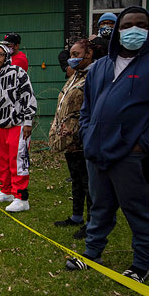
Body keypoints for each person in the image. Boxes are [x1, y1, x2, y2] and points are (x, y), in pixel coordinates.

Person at [65, 6, 149, 283]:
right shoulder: (100, 67)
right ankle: (92, 254)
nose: (133, 30)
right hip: (97, 152)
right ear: (118, 30)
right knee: (100, 207)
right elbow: (88, 108)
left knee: (140, 208)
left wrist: (142, 145)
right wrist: (88, 133)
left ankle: (141, 264)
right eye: (127, 25)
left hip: (133, 156)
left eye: (140, 25)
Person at [49, 39, 102, 239]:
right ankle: (76, 216)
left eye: (76, 54)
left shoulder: (94, 76)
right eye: (71, 54)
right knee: (76, 180)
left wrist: (81, 130)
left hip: (83, 138)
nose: (72, 58)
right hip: (69, 139)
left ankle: (92, 223)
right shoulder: (75, 75)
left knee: (89, 183)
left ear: (88, 54)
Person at [0, 44, 37, 212]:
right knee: (1, 159)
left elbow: (29, 97)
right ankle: (6, 191)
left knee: (18, 159)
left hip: (18, 123)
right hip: (0, 123)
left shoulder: (18, 73)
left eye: (1, 54)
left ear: (6, 57)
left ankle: (21, 197)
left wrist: (28, 121)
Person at [58, 13, 116, 78]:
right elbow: (64, 54)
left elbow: (113, 47)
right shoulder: (92, 43)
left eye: (110, 23)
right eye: (103, 23)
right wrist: (67, 67)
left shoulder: (122, 41)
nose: (106, 26)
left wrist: (97, 40)